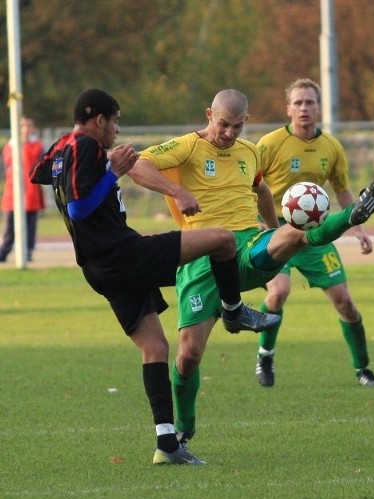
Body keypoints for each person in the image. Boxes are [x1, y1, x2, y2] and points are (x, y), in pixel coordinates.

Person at [128, 88, 374, 451]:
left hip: (246, 246)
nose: (229, 133)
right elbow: (137, 166)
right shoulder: (187, 147)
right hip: (199, 255)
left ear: (245, 122)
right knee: (188, 357)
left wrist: (270, 228)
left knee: (297, 233)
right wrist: (178, 191)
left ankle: (353, 214)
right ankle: (184, 428)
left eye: (237, 126)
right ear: (209, 115)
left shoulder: (250, 152)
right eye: (223, 125)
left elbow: (263, 191)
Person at [29, 88, 281, 466]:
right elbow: (80, 209)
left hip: (97, 268)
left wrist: (95, 171)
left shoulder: (61, 146)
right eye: (114, 122)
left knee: (156, 349)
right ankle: (232, 309)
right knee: (222, 240)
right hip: (122, 253)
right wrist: (112, 171)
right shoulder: (86, 146)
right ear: (99, 120)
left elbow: (40, 175)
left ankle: (167, 443)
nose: (116, 130)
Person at [254, 78, 374, 388]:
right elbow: (249, 186)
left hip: (315, 235)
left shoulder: (331, 147)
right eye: (297, 103)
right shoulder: (269, 144)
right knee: (279, 292)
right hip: (277, 230)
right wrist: (256, 221)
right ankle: (265, 355)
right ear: (288, 109)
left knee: (345, 302)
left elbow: (343, 190)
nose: (304, 108)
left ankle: (362, 368)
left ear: (319, 107)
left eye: (309, 102)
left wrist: (358, 227)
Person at [1, 116, 46, 262]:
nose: (25, 129)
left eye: (28, 126)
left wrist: (25, 145)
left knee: (30, 225)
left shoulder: (37, 146)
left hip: (31, 192)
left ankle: (28, 251)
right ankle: (4, 250)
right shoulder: (10, 146)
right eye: (22, 126)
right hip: (12, 192)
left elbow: (36, 164)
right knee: (9, 226)